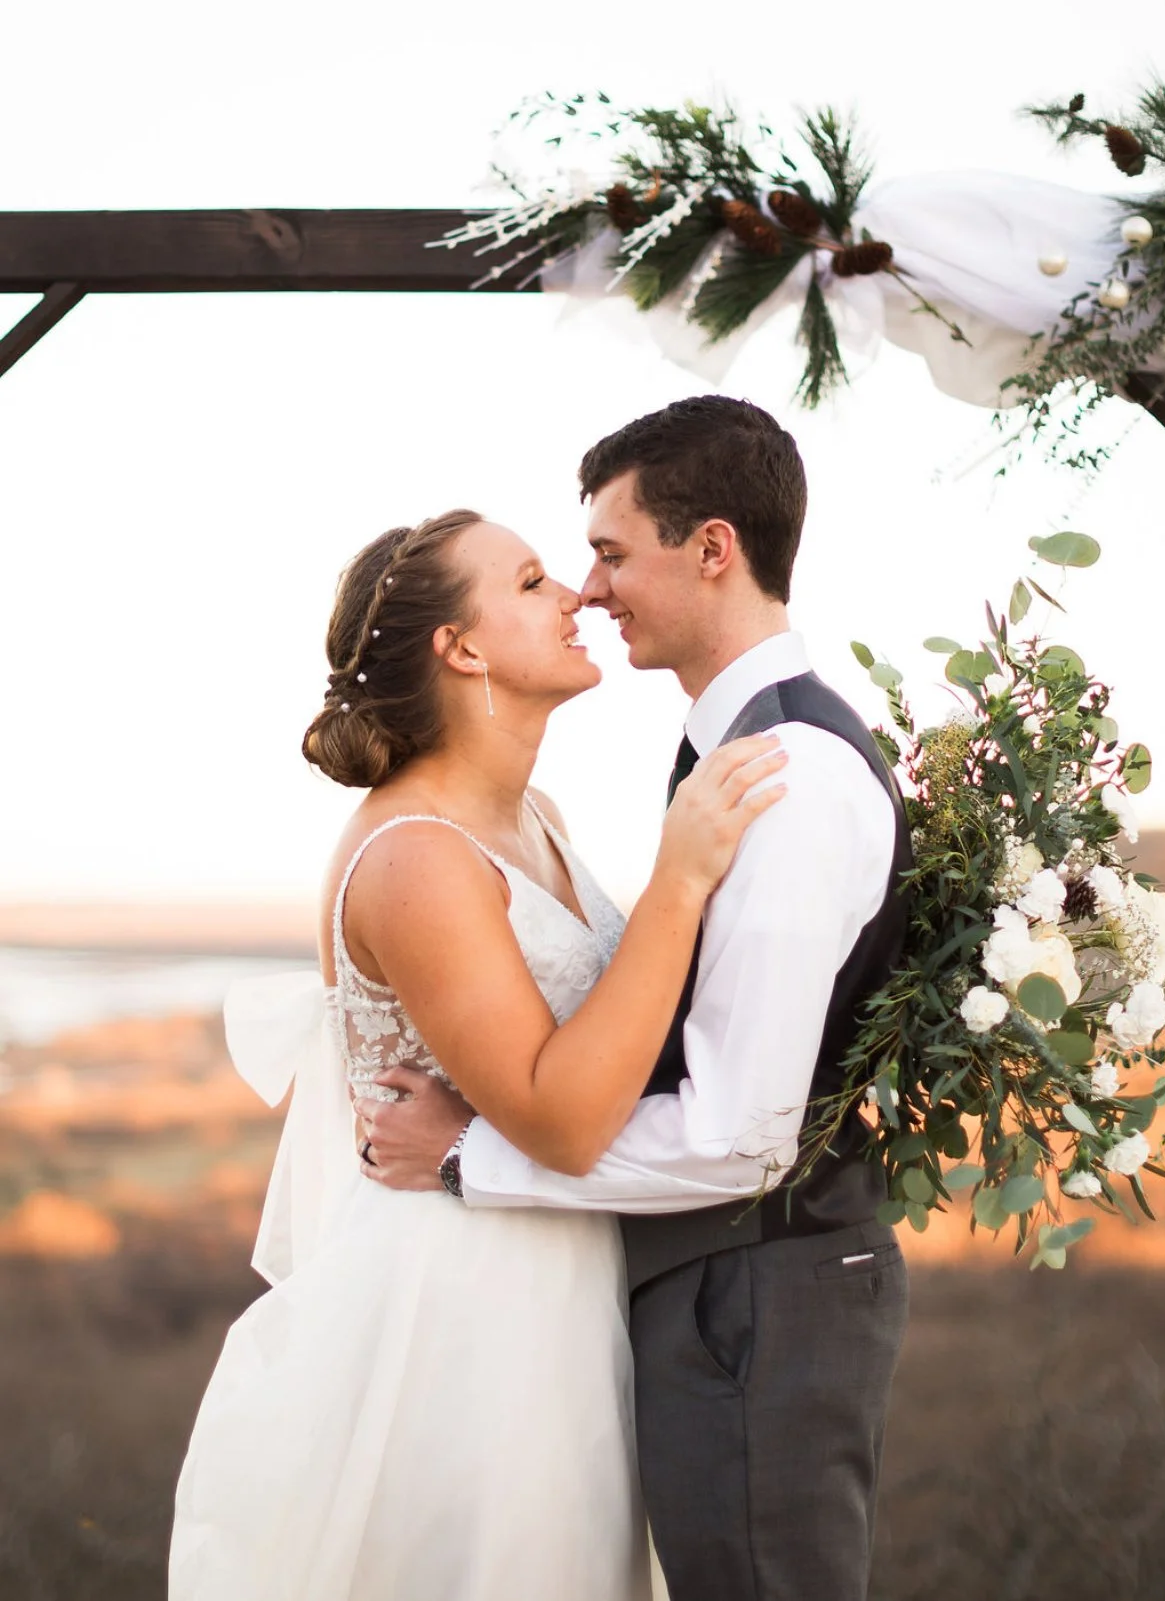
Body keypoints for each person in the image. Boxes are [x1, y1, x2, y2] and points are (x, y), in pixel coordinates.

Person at [169, 506, 786, 1601]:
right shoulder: (416, 854)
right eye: (536, 580)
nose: (578, 597)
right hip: (460, 1317)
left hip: (564, 1280)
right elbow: (559, 1112)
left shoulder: (531, 813)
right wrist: (680, 880)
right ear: (459, 646)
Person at [359, 397, 913, 1601]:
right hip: (673, 1294)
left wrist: (467, 1157)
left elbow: (741, 1132)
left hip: (756, 1292)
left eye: (610, 553)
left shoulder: (785, 778)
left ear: (712, 547)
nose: (590, 590)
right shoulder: (730, 761)